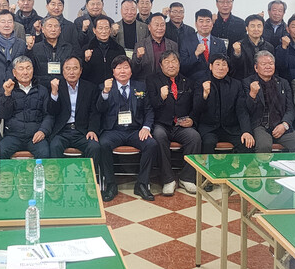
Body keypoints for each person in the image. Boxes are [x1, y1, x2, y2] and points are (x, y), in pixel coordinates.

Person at [97, 56, 157, 201]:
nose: (122, 71)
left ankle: (142, 184)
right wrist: (105, 92)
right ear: (113, 72)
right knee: (103, 144)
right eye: (119, 68)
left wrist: (146, 127)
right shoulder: (104, 87)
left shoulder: (141, 87)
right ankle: (111, 184)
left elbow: (149, 110)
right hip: (113, 130)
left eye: (126, 67)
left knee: (151, 144)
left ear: (131, 71)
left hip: (135, 130)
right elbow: (99, 109)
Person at [147, 51, 201, 194]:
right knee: (159, 136)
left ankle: (187, 178)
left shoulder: (188, 81)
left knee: (194, 137)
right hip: (161, 124)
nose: (171, 65)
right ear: (161, 65)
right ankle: (168, 179)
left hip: (181, 125)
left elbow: (195, 105)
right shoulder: (152, 80)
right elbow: (150, 105)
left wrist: (192, 119)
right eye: (167, 62)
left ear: (179, 63)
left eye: (174, 61)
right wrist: (161, 97)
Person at [244, 51, 295, 153]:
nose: (268, 67)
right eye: (264, 64)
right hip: (260, 125)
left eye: (271, 63)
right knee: (264, 146)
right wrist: (252, 95)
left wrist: (285, 124)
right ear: (256, 68)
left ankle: (290, 164)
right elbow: (246, 110)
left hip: (280, 124)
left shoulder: (283, 83)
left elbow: (290, 108)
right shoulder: (247, 83)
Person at [194, 54, 254, 153]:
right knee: (208, 143)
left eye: (224, 64)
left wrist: (246, 131)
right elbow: (196, 109)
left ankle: (236, 165)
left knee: (246, 142)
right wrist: (204, 95)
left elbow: (242, 110)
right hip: (209, 129)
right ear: (211, 66)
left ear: (228, 68)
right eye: (217, 64)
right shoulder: (201, 83)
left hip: (231, 129)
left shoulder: (236, 85)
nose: (221, 68)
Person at [47, 57, 100, 163]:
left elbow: (94, 112)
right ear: (63, 71)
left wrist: (92, 130)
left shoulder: (90, 88)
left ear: (81, 71)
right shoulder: (56, 86)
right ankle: (59, 174)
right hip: (62, 131)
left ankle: (90, 174)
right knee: (55, 146)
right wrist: (54, 93)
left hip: (82, 131)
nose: (71, 72)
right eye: (68, 68)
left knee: (94, 147)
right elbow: (52, 111)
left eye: (75, 68)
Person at [0, 56, 53, 159]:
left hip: (35, 136)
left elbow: (49, 115)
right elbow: (4, 115)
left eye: (28, 68)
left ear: (33, 70)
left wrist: (43, 131)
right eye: (21, 68)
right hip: (13, 136)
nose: (25, 72)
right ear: (14, 72)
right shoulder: (8, 89)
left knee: (45, 153)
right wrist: (7, 95)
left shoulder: (42, 90)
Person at [180, 9, 227, 84]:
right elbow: (182, 67)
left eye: (208, 21)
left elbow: (225, 64)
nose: (205, 24)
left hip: (216, 83)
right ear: (196, 24)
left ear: (212, 23)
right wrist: (195, 54)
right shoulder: (186, 42)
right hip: (193, 83)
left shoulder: (220, 43)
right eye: (201, 21)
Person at [26, 16, 75, 88]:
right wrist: (29, 49)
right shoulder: (36, 48)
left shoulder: (68, 48)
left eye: (56, 26)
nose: (53, 29)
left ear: (60, 30)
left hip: (63, 86)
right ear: (43, 29)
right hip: (41, 87)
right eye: (50, 26)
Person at [82, 15, 126, 85]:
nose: (104, 31)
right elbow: (82, 74)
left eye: (106, 28)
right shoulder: (86, 49)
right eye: (100, 28)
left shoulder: (118, 49)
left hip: (113, 86)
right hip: (92, 87)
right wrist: (86, 61)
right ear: (94, 30)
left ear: (110, 30)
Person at [132, 13, 177, 81]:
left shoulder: (173, 45)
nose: (160, 28)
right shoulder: (140, 44)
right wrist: (138, 58)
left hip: (167, 82)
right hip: (146, 82)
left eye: (162, 25)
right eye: (156, 25)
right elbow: (134, 69)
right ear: (149, 27)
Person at [230, 14, 275, 80]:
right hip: (243, 82)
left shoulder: (269, 47)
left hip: (263, 82)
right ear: (246, 28)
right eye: (252, 26)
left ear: (263, 28)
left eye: (259, 26)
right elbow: (235, 67)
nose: (256, 29)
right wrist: (237, 54)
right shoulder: (238, 45)